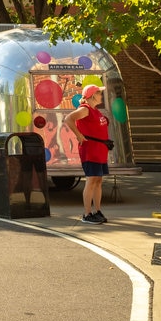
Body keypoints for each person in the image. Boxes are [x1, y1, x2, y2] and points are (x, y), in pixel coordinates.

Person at [66, 84, 111, 224]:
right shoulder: (85, 109)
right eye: (99, 93)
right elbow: (68, 119)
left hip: (100, 150)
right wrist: (79, 135)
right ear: (92, 95)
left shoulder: (95, 110)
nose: (101, 95)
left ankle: (97, 211)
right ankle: (87, 214)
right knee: (91, 180)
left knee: (98, 181)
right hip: (90, 150)